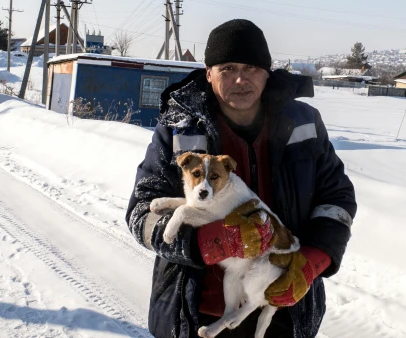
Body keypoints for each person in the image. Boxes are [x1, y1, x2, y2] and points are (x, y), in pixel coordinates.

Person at [126, 19, 357, 338]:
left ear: (267, 72)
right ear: (209, 73)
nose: (240, 79)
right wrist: (202, 244)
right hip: (198, 314)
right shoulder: (178, 130)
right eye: (227, 68)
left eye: (250, 67)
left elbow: (337, 200)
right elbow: (141, 214)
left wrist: (313, 260)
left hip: (284, 310)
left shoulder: (303, 122)